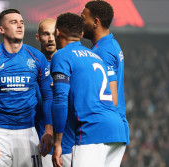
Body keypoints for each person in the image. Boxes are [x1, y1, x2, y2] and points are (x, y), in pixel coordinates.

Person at [0, 8, 53, 167]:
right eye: (13, 22)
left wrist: (49, 130)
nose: (20, 26)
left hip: (28, 133)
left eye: (22, 22)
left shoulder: (37, 58)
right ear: (1, 29)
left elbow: (48, 96)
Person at [50, 12, 126, 167]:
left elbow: (60, 101)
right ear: (81, 33)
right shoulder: (95, 56)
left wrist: (57, 142)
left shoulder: (62, 56)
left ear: (57, 32)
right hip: (117, 131)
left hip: (92, 131)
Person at [81, 0, 129, 149]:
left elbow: (112, 99)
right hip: (115, 129)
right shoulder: (111, 44)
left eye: (83, 19)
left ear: (96, 22)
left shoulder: (103, 51)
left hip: (103, 132)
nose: (80, 23)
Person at [34, 18, 74, 167]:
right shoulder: (31, 67)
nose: (51, 38)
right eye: (46, 34)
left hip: (69, 146)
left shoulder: (70, 65)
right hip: (40, 145)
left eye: (53, 34)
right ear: (38, 37)